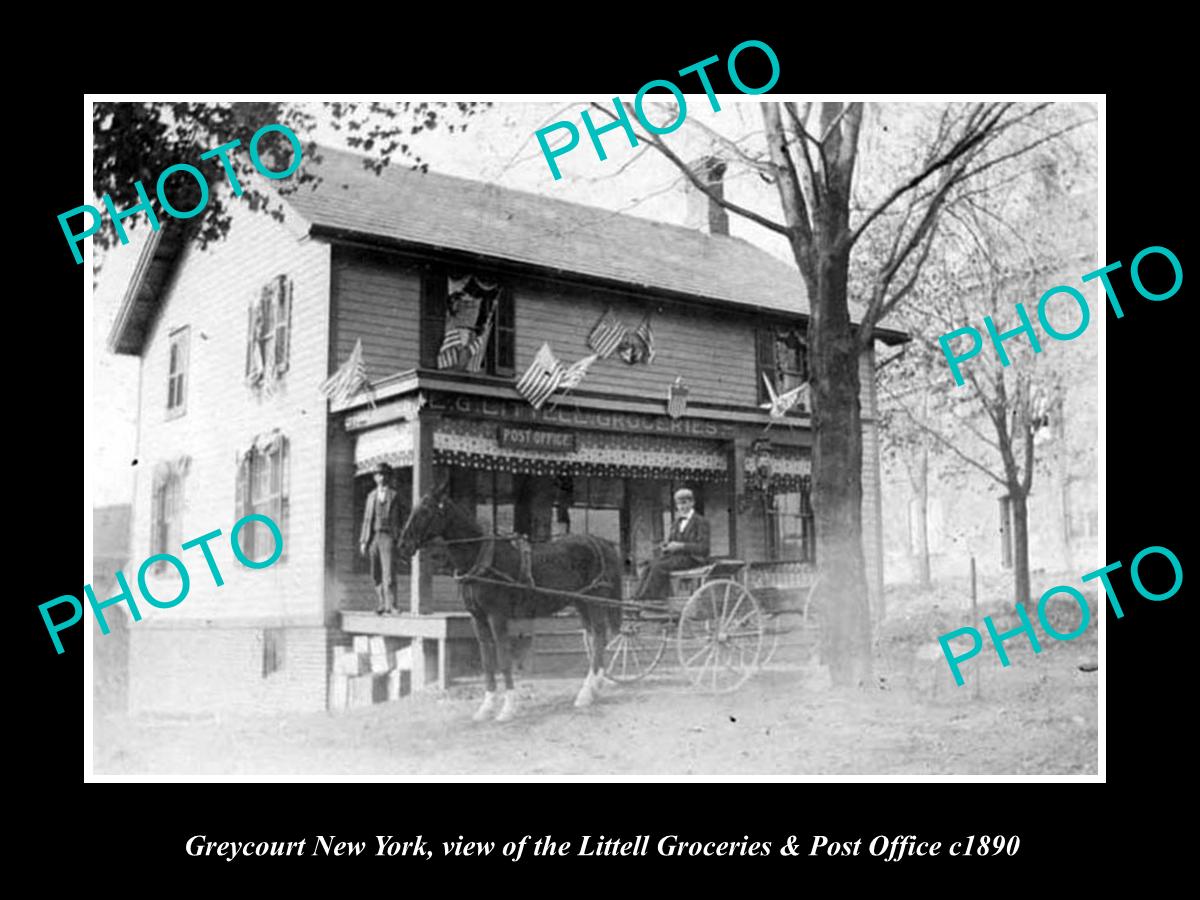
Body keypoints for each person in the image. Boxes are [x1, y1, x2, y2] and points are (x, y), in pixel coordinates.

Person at [634, 488, 710, 601]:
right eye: (679, 504)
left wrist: (681, 546)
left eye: (684, 503)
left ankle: (648, 599)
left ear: (692, 503)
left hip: (693, 559)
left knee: (658, 567)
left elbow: (704, 548)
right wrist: (666, 546)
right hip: (676, 558)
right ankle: (637, 598)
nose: (681, 507)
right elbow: (671, 542)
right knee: (648, 565)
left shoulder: (701, 522)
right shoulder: (676, 523)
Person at [359, 462, 404, 615]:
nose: (381, 477)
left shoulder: (395, 495)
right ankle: (381, 604)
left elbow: (399, 519)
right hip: (374, 537)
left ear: (389, 477)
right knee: (376, 572)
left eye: (384, 474)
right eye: (378, 474)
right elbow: (366, 519)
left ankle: (392, 605)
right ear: (375, 478)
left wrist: (398, 539)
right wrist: (364, 541)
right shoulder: (371, 496)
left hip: (388, 536)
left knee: (389, 573)